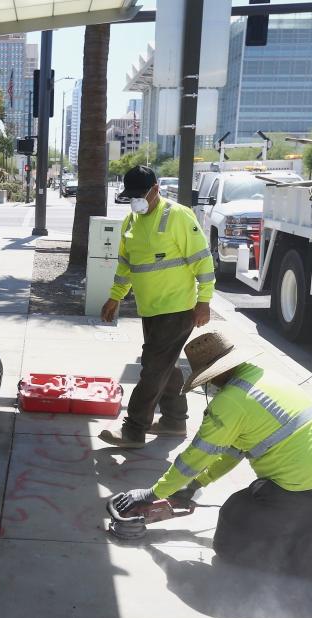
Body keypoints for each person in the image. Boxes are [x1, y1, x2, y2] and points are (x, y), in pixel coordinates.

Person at [108, 332, 312, 595]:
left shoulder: (230, 403)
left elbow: (194, 457)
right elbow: (232, 452)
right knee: (236, 512)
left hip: (301, 490)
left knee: (234, 545)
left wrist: (154, 493)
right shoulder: (263, 379)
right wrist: (197, 484)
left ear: (212, 375)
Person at [99, 165, 214, 449]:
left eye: (140, 195)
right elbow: (126, 264)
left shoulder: (177, 216)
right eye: (131, 196)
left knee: (152, 368)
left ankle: (134, 430)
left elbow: (202, 259)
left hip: (177, 309)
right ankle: (174, 421)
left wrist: (204, 300)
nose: (135, 200)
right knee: (164, 365)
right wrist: (115, 296)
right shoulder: (130, 222)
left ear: (155, 189)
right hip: (149, 309)